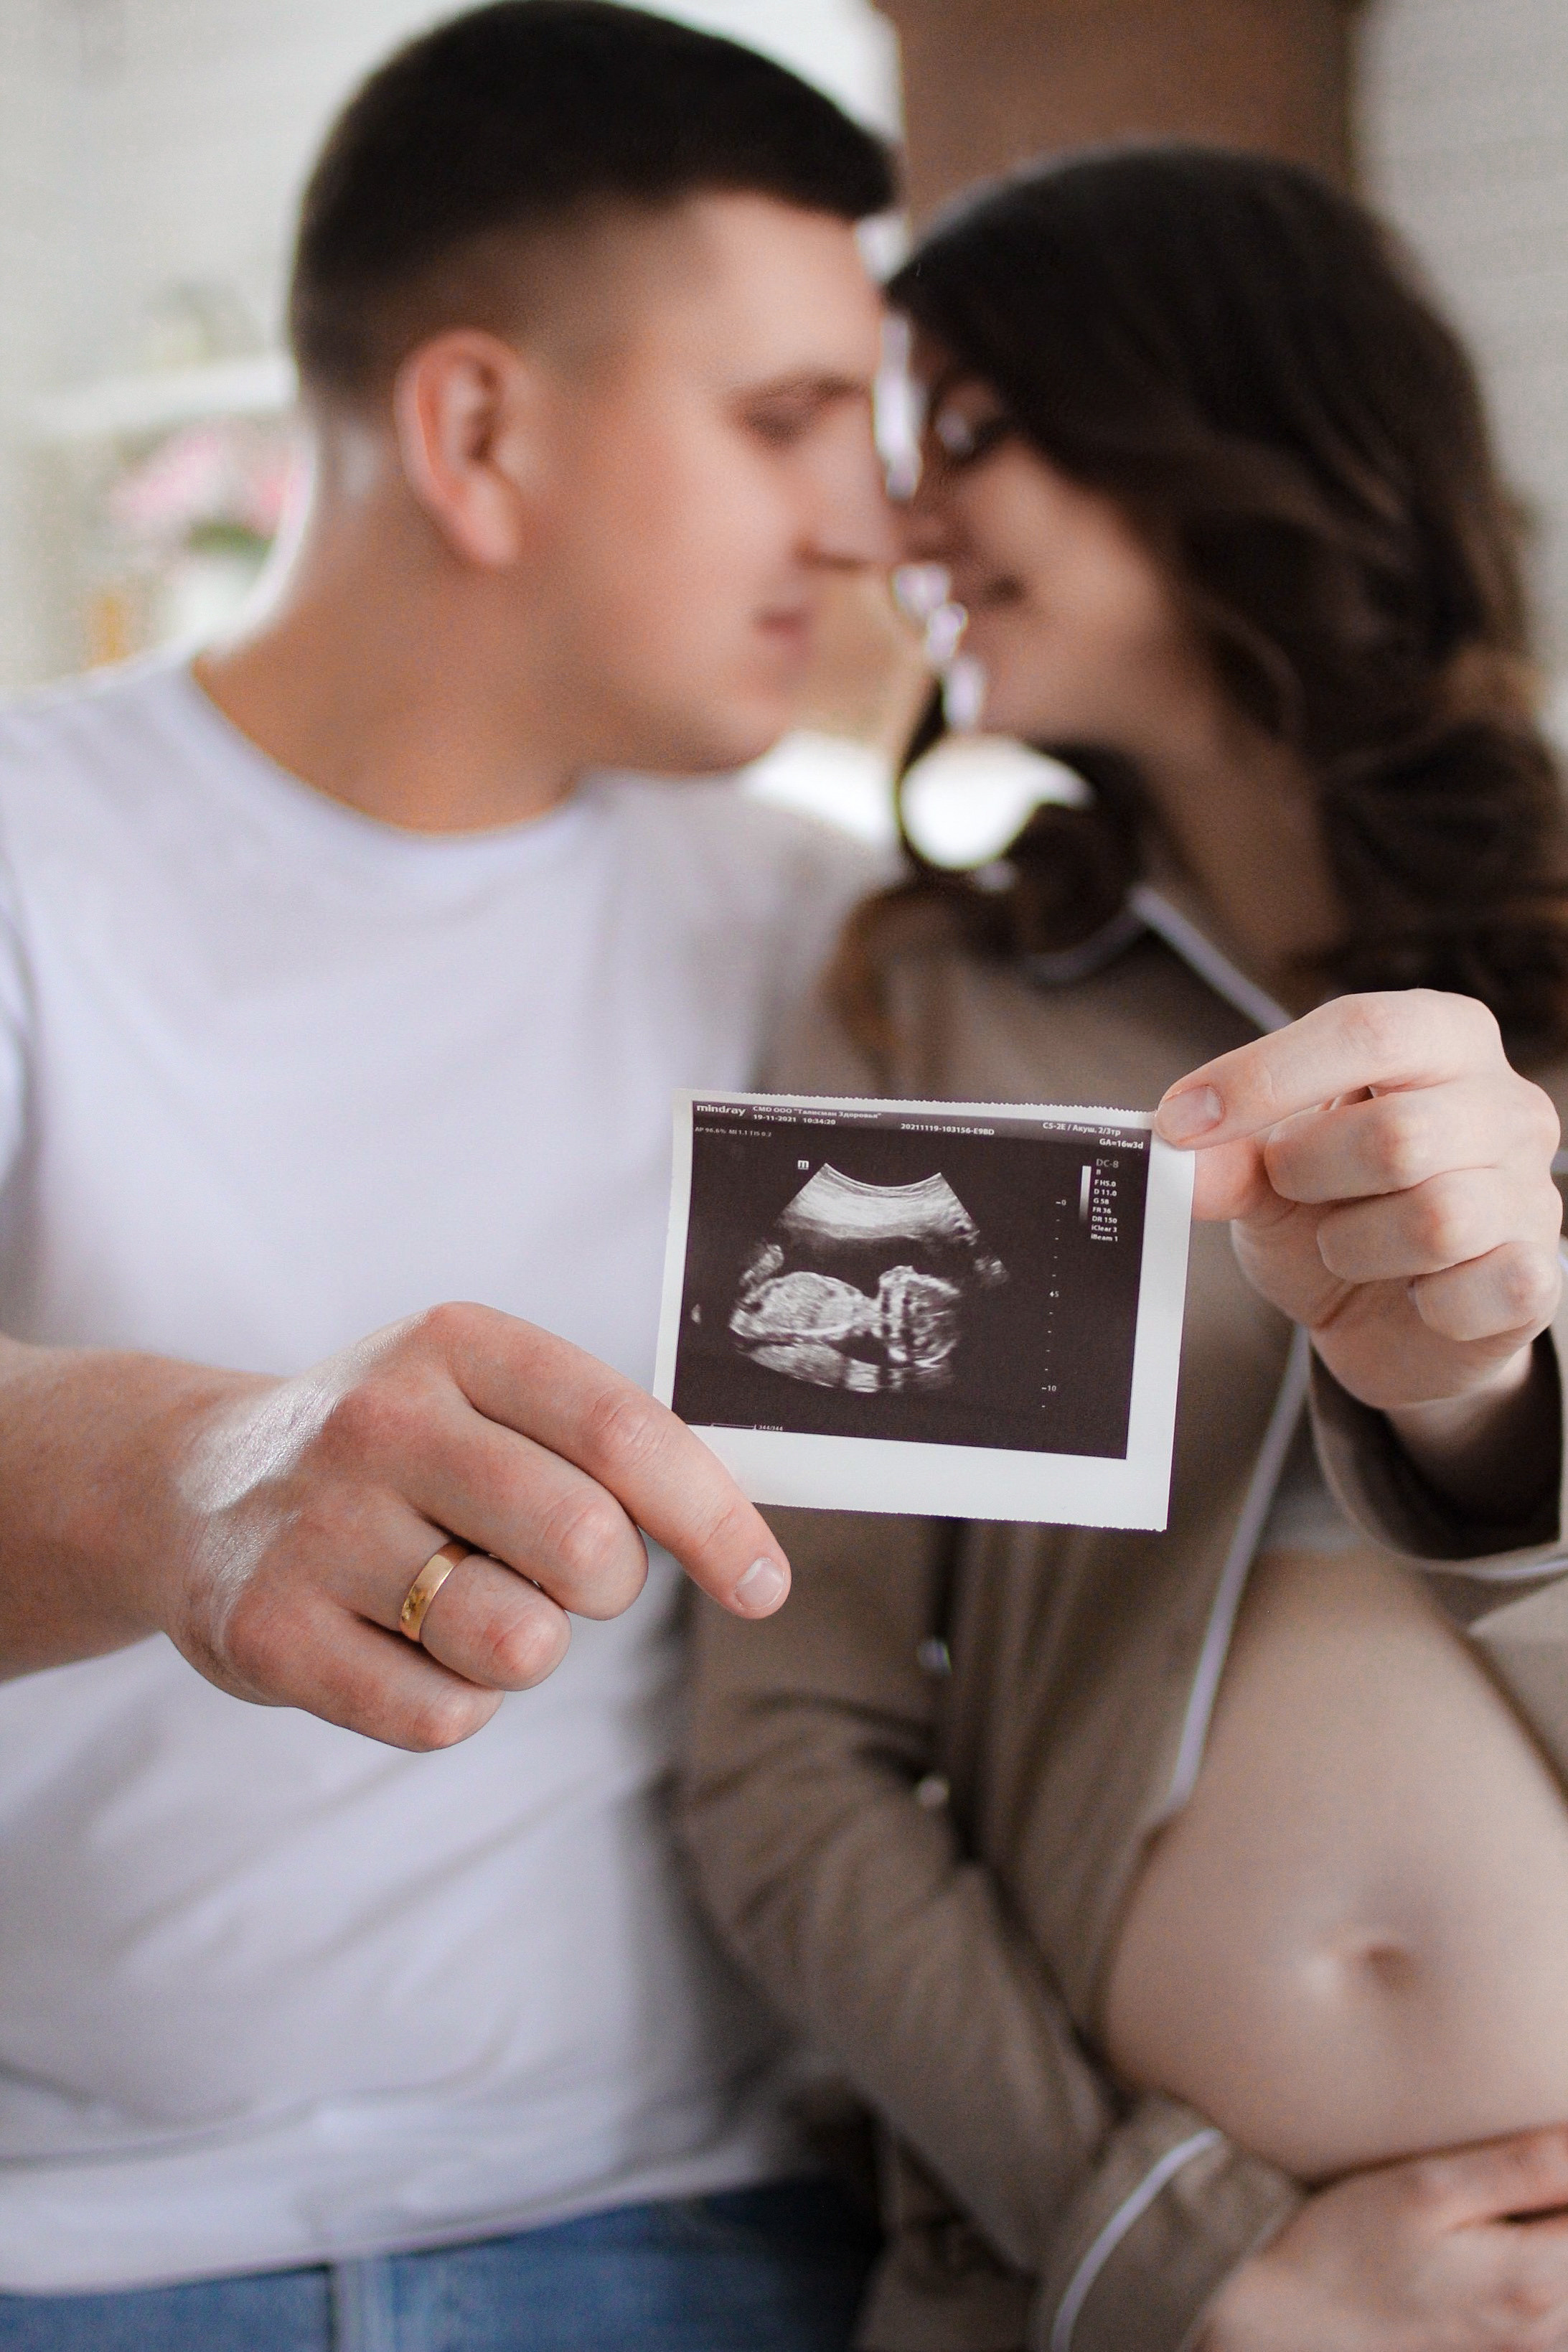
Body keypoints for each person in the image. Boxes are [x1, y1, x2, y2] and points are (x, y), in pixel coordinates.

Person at [0, 8, 897, 2344]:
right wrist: (185, 1479)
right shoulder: (28, 862)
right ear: (478, 432)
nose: (862, 522)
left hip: (710, 2230)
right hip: (79, 2251)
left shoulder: (824, 933)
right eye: (781, 420)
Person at [680, 147, 1568, 2352]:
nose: (890, 522)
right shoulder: (927, 1012)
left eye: (969, 431)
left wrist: (1486, 1413)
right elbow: (785, 1749)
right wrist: (1180, 2264)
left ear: (1233, 424)